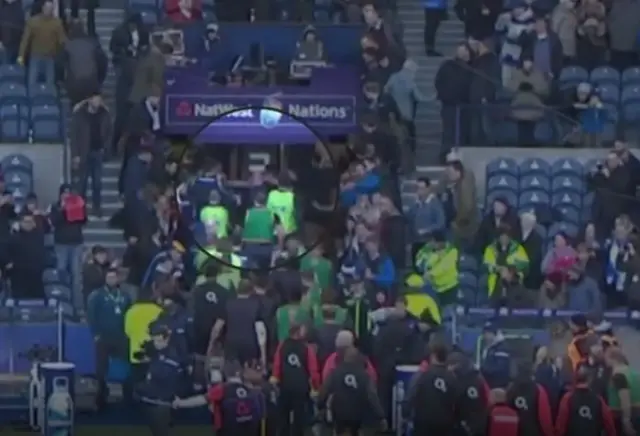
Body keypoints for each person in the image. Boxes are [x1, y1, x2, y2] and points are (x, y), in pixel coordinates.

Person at [173, 361, 266, 436]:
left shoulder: (222, 389)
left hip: (227, 431)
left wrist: (180, 403)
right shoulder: (250, 388)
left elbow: (200, 400)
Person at [87, 267, 133, 409]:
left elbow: (130, 315)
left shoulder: (125, 295)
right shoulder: (97, 295)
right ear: (105, 279)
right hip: (104, 337)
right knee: (101, 368)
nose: (111, 280)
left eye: (114, 277)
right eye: (109, 277)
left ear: (118, 279)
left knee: (128, 367)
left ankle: (129, 397)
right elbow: (91, 316)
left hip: (121, 337)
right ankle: (101, 397)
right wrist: (95, 334)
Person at [317, 346, 386, 435]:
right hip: (357, 414)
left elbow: (324, 390)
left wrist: (320, 405)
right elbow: (372, 395)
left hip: (339, 413)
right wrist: (380, 415)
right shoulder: (364, 375)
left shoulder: (335, 373)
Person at [137, 323, 190, 436]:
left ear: (167, 339)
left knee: (160, 431)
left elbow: (170, 379)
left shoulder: (172, 357)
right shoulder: (157, 353)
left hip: (161, 401)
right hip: (154, 400)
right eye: (155, 341)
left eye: (159, 341)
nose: (157, 344)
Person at [270, 323, 321, 436]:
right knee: (299, 419)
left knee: (283, 419)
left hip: (284, 386)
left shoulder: (282, 345)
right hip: (301, 388)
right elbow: (313, 371)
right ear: (298, 332)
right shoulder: (307, 348)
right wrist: (316, 387)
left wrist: (274, 382)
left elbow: (277, 366)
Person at [404, 341, 459, 435]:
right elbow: (457, 401)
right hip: (445, 425)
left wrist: (406, 413)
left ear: (433, 355)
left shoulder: (422, 375)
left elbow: (411, 395)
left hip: (423, 424)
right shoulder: (453, 377)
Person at [209, 279, 268, 367]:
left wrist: (210, 345)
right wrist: (263, 356)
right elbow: (261, 331)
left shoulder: (228, 304)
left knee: (232, 374)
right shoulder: (257, 305)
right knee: (249, 375)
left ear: (237, 290)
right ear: (251, 291)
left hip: (231, 345)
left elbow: (217, 328)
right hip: (250, 346)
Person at [70, 93, 111, 217]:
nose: (98, 102)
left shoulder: (105, 115)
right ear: (90, 100)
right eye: (95, 99)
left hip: (97, 152)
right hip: (83, 153)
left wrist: (106, 149)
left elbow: (109, 133)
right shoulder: (80, 115)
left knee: (97, 183)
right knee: (82, 184)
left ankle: (97, 207)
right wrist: (75, 154)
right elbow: (74, 136)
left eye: (100, 100)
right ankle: (80, 210)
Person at [555, 365, 616, 436]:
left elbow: (561, 424)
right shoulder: (598, 399)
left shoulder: (567, 398)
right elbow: (609, 423)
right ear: (590, 379)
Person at [18, 0, 66, 87]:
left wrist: (59, 54)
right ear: (43, 8)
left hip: (50, 57)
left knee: (50, 84)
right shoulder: (33, 21)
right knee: (32, 82)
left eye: (51, 9)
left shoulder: (57, 23)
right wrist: (21, 56)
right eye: (47, 8)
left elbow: (62, 41)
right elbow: (25, 40)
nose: (48, 10)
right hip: (35, 56)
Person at [124, 288, 162, 389]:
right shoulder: (158, 311)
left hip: (136, 353)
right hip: (154, 353)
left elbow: (127, 331)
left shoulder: (131, 311)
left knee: (136, 381)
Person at [506, 362, 554, 436]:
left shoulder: (510, 390)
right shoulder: (539, 390)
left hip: (514, 431)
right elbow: (544, 417)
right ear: (531, 373)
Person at [448, 351, 490, 436]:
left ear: (455, 365)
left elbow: (453, 404)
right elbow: (487, 400)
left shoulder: (457, 382)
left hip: (463, 428)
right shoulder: (479, 379)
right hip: (480, 426)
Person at [605, 347, 640, 436]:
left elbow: (625, 398)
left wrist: (626, 421)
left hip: (622, 414)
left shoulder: (618, 375)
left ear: (612, 358)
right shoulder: (631, 371)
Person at [480, 323, 511, 389]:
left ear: (494, 334)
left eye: (487, 333)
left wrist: (483, 370)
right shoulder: (489, 348)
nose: (485, 336)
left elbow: (500, 368)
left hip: (498, 386)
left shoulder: (501, 348)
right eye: (484, 333)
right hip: (489, 385)